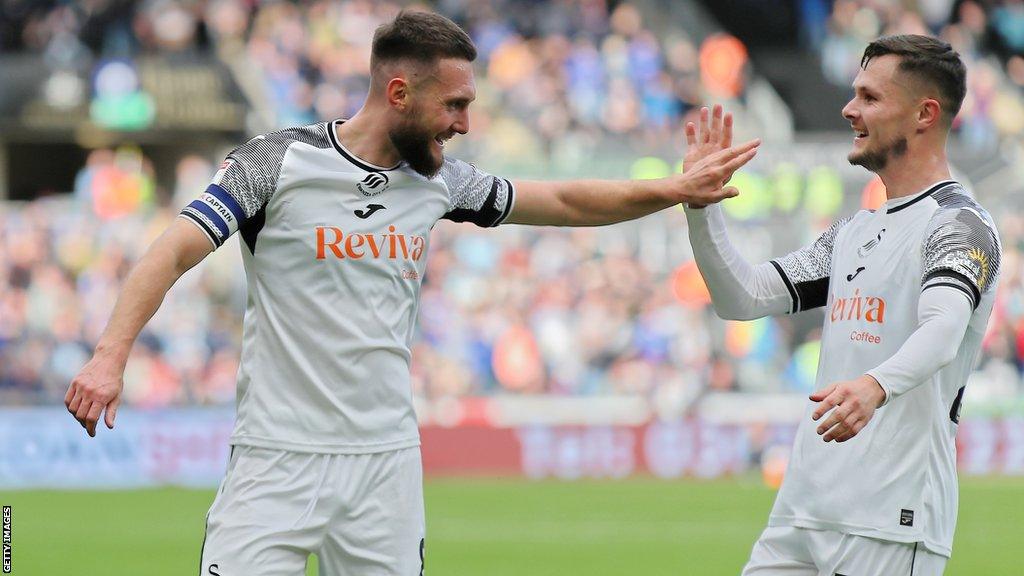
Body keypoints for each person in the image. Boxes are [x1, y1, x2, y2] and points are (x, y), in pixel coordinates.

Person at [63, 9, 758, 576]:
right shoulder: (279, 163)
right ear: (399, 93)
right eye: (454, 105)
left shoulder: (440, 183)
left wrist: (672, 190)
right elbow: (172, 250)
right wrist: (109, 356)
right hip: (277, 459)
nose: (463, 122)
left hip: (384, 466)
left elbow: (566, 200)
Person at [683, 35, 1000, 575]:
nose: (849, 109)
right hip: (802, 512)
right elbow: (743, 297)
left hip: (888, 522)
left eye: (870, 98)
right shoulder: (854, 233)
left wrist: (875, 385)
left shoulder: (959, 224)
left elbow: (943, 330)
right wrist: (699, 206)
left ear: (925, 114)